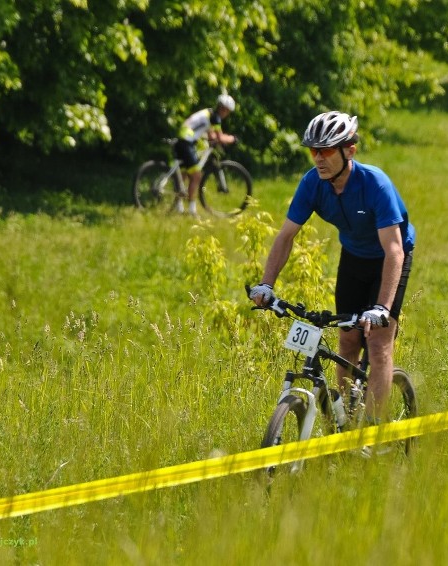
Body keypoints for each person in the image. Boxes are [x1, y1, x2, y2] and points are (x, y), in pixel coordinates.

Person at [249, 111, 416, 424]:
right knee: (348, 338)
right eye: (313, 151)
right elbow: (286, 236)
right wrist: (266, 284)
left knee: (378, 342)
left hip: (390, 257)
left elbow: (393, 250)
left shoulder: (375, 184)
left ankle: (373, 430)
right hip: (354, 256)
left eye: (325, 150)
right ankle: (342, 423)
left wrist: (381, 307)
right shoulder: (313, 184)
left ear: (349, 150)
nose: (318, 159)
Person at [173, 93, 238, 216]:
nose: (227, 114)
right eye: (228, 111)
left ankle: (178, 206)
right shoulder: (215, 117)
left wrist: (216, 139)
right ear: (223, 109)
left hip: (182, 138)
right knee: (197, 176)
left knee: (185, 174)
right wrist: (233, 139)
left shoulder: (209, 113)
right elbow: (219, 137)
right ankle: (192, 210)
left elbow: (211, 136)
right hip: (187, 141)